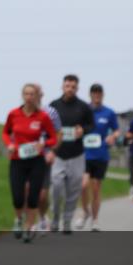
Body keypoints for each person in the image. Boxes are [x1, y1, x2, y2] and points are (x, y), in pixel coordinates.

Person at [2, 83, 58, 243]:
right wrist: (9, 145)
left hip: (36, 161)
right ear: (22, 96)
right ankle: (18, 220)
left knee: (34, 196)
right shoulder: (13, 114)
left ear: (37, 96)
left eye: (32, 94)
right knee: (18, 196)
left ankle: (28, 227)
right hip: (17, 160)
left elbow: (53, 137)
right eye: (26, 94)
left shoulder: (42, 116)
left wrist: (44, 144)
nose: (29, 97)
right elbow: (6, 132)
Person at [48, 74, 95, 234]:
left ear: (77, 88)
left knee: (73, 190)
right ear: (62, 86)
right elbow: (47, 126)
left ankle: (67, 221)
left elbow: (91, 125)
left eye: (73, 87)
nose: (70, 89)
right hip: (58, 154)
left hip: (76, 154)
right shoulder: (53, 105)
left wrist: (83, 130)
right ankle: (55, 218)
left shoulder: (83, 107)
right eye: (67, 86)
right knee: (56, 186)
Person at [76, 84, 120, 232]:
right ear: (90, 95)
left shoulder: (109, 113)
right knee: (83, 185)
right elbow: (76, 127)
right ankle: (85, 212)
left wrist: (112, 136)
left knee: (95, 189)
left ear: (102, 95)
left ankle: (95, 220)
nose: (97, 95)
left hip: (101, 155)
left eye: (99, 93)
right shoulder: (83, 111)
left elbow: (117, 130)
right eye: (94, 93)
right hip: (84, 154)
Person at [35, 83, 60, 232]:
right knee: (26, 190)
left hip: (44, 157)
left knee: (42, 195)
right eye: (30, 93)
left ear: (41, 95)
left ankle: (43, 217)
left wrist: (53, 151)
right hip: (25, 158)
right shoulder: (20, 112)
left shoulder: (51, 112)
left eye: (36, 93)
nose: (33, 96)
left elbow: (58, 135)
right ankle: (25, 221)